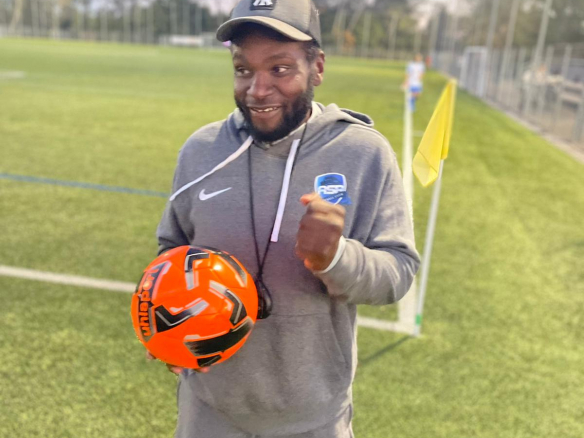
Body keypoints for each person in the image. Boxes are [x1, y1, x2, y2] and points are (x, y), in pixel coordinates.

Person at [154, 0, 420, 436]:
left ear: (317, 68)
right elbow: (171, 250)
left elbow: (398, 272)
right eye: (243, 69)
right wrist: (166, 320)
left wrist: (335, 258)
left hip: (314, 418)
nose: (258, 90)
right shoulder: (202, 150)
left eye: (280, 69)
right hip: (209, 411)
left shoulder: (363, 153)